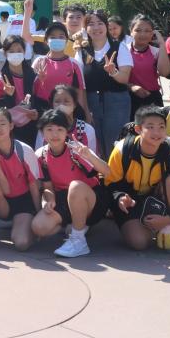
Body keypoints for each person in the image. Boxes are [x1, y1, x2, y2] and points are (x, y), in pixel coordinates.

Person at [107, 105, 170, 253]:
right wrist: (119, 197)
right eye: (150, 127)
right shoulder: (122, 149)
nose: (157, 132)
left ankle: (166, 228)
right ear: (138, 129)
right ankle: (152, 227)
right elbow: (109, 184)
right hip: (131, 203)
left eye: (161, 127)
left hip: (157, 200)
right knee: (139, 242)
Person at [33, 107, 111, 258]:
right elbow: (48, 187)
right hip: (63, 199)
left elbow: (107, 171)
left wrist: (89, 155)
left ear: (67, 132)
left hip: (90, 199)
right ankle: (75, 226)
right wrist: (48, 201)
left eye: (60, 129)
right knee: (38, 227)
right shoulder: (41, 155)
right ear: (42, 132)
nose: (55, 134)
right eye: (49, 129)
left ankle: (78, 241)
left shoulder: (76, 150)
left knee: (75, 186)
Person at [0, 106, 42, 251]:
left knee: (21, 243)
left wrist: (38, 214)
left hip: (23, 202)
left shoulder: (24, 150)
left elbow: (34, 185)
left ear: (11, 125)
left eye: (2, 123)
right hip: (3, 204)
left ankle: (23, 224)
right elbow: (5, 190)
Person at [75, 12, 133, 148]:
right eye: (91, 24)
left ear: (106, 26)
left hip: (117, 103)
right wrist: (85, 110)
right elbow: (80, 84)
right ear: (85, 29)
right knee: (95, 145)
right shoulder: (82, 51)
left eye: (100, 23)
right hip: (91, 103)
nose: (96, 28)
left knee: (116, 145)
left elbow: (125, 78)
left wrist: (113, 72)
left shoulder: (119, 47)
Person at [31, 23, 87, 118]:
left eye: (61, 37)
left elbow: (80, 92)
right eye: (52, 37)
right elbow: (31, 90)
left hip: (66, 111)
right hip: (42, 111)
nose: (57, 39)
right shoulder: (39, 61)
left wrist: (86, 114)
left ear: (66, 41)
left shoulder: (74, 64)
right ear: (46, 41)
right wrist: (39, 80)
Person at [127, 14, 162, 109]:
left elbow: (165, 72)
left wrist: (162, 44)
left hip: (153, 98)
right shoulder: (123, 51)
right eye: (138, 30)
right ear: (131, 32)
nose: (142, 34)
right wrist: (131, 87)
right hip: (129, 99)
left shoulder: (157, 52)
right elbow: (115, 77)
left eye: (147, 31)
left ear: (152, 33)